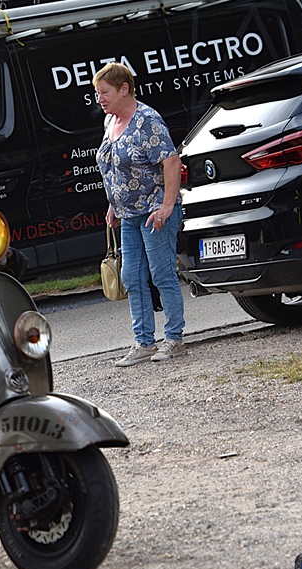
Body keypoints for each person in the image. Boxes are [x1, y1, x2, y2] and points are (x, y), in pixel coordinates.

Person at [92, 62, 186, 367]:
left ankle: (174, 338)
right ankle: (144, 342)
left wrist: (167, 205)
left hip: (154, 212)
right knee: (131, 276)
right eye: (97, 93)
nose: (100, 99)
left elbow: (171, 161)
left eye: (104, 92)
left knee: (162, 274)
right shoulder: (111, 121)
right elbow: (115, 167)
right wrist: (113, 204)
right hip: (129, 215)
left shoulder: (147, 120)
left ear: (124, 89)